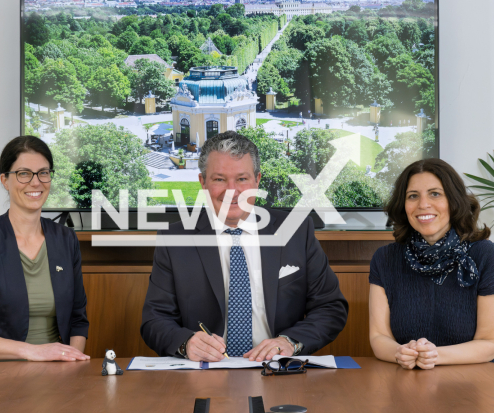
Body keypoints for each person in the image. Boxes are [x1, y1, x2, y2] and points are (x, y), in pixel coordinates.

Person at [141, 131, 348, 362]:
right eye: (219, 179)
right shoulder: (174, 239)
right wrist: (186, 343)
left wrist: (289, 342)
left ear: (257, 181)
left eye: (242, 179)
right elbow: (155, 320)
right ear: (202, 182)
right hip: (206, 374)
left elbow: (330, 308)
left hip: (277, 371)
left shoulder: (297, 230)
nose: (232, 191)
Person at [0, 136, 90, 364]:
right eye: (24, 173)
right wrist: (33, 352)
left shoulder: (65, 238)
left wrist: (70, 362)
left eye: (43, 173)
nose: (36, 182)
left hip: (54, 376)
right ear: (5, 180)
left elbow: (78, 320)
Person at [369, 159, 494, 370]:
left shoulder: (489, 257)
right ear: (403, 205)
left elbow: (489, 344)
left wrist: (434, 355)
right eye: (413, 196)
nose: (423, 204)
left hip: (475, 386)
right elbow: (379, 336)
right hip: (405, 382)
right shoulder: (385, 259)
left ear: (454, 201)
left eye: (435, 193)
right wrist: (399, 352)